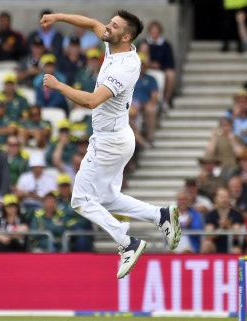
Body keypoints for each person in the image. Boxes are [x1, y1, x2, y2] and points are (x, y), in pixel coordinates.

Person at [41, 10, 181, 278]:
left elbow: (91, 101)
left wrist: (58, 85)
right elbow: (93, 23)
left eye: (114, 25)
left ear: (126, 36)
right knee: (107, 198)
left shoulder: (127, 66)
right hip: (116, 136)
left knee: (80, 200)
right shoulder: (112, 43)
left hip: (110, 141)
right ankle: (160, 215)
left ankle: (127, 241)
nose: (107, 27)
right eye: (110, 22)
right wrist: (57, 17)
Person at [140, 21, 176, 110]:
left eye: (156, 32)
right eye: (152, 32)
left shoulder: (166, 45)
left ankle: (165, 101)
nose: (154, 34)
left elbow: (170, 63)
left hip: (161, 69)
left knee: (171, 74)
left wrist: (159, 66)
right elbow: (139, 57)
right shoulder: (143, 43)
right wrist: (150, 64)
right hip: (145, 68)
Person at [200, 186, 244, 254]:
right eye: (221, 197)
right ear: (215, 199)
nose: (224, 200)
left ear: (229, 198)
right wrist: (221, 227)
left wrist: (228, 226)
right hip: (215, 245)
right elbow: (209, 236)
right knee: (206, 244)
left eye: (226, 197)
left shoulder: (236, 215)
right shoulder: (211, 215)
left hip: (232, 246)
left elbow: (236, 236)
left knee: (236, 250)